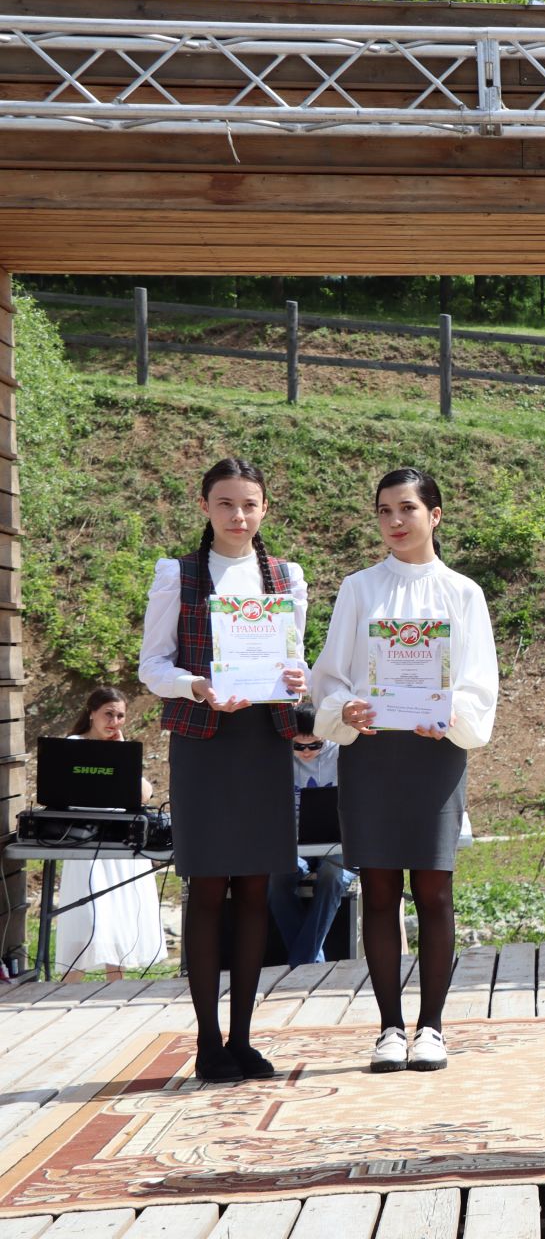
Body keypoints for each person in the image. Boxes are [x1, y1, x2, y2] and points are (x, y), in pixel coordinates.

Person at [313, 468, 498, 1074]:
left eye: (408, 509)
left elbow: (478, 682)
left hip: (435, 753)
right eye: (385, 511)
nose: (396, 521)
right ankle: (390, 1026)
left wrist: (450, 715)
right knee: (379, 889)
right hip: (372, 753)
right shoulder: (359, 589)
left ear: (434, 516)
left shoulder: (465, 593)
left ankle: (434, 1028)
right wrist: (348, 709)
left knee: (436, 890)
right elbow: (331, 677)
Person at [138, 457, 308, 1083]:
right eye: (227, 504)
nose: (240, 516)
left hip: (263, 740)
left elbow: (296, 665)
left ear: (265, 509)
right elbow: (151, 666)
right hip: (204, 741)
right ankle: (208, 1042)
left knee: (257, 889)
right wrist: (196, 685)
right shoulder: (176, 575)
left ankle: (243, 1037)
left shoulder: (284, 575)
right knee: (208, 888)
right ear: (205, 507)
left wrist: (299, 677)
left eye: (251, 504)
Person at [52, 686, 165, 981]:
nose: (114, 721)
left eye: (120, 716)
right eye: (108, 714)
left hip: (120, 840)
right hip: (85, 840)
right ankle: (67, 987)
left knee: (119, 915)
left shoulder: (120, 748)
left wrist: (123, 750)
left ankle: (116, 986)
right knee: (86, 915)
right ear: (92, 713)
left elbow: (144, 795)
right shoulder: (74, 744)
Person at [266, 704, 352, 968]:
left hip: (336, 842)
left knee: (332, 876)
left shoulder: (342, 755)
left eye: (314, 746)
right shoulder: (277, 758)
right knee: (277, 879)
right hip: (293, 844)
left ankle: (302, 962)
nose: (305, 753)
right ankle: (309, 961)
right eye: (298, 746)